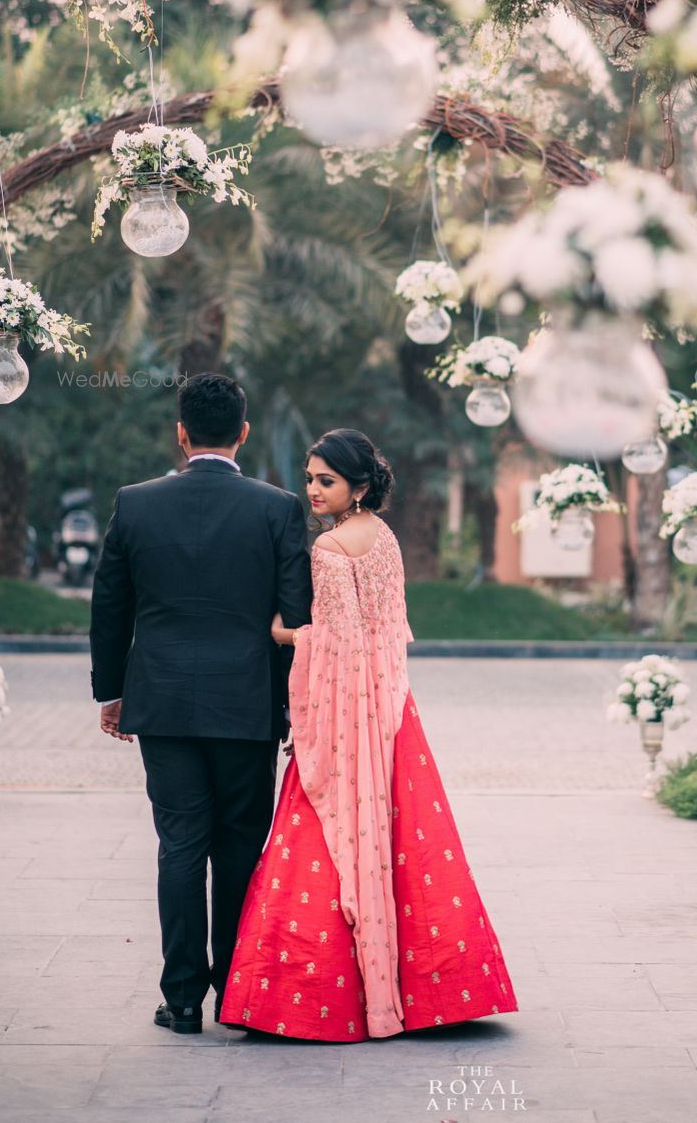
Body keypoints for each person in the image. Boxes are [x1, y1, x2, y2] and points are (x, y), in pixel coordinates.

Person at [220, 428, 517, 1040]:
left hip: (345, 712)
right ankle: (436, 990)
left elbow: (335, 640)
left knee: (323, 832)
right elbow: (390, 630)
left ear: (358, 485)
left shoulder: (330, 551)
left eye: (325, 481)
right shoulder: (383, 538)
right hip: (390, 705)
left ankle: (305, 998)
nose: (312, 491)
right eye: (309, 479)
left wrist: (283, 633)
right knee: (408, 837)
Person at [89, 373, 312, 1036]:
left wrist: (112, 691)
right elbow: (296, 615)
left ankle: (182, 1000)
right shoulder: (277, 508)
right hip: (247, 703)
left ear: (181, 433)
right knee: (241, 847)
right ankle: (239, 997)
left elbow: (110, 605)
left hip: (161, 701)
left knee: (179, 845)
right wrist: (295, 705)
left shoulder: (135, 503)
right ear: (242, 433)